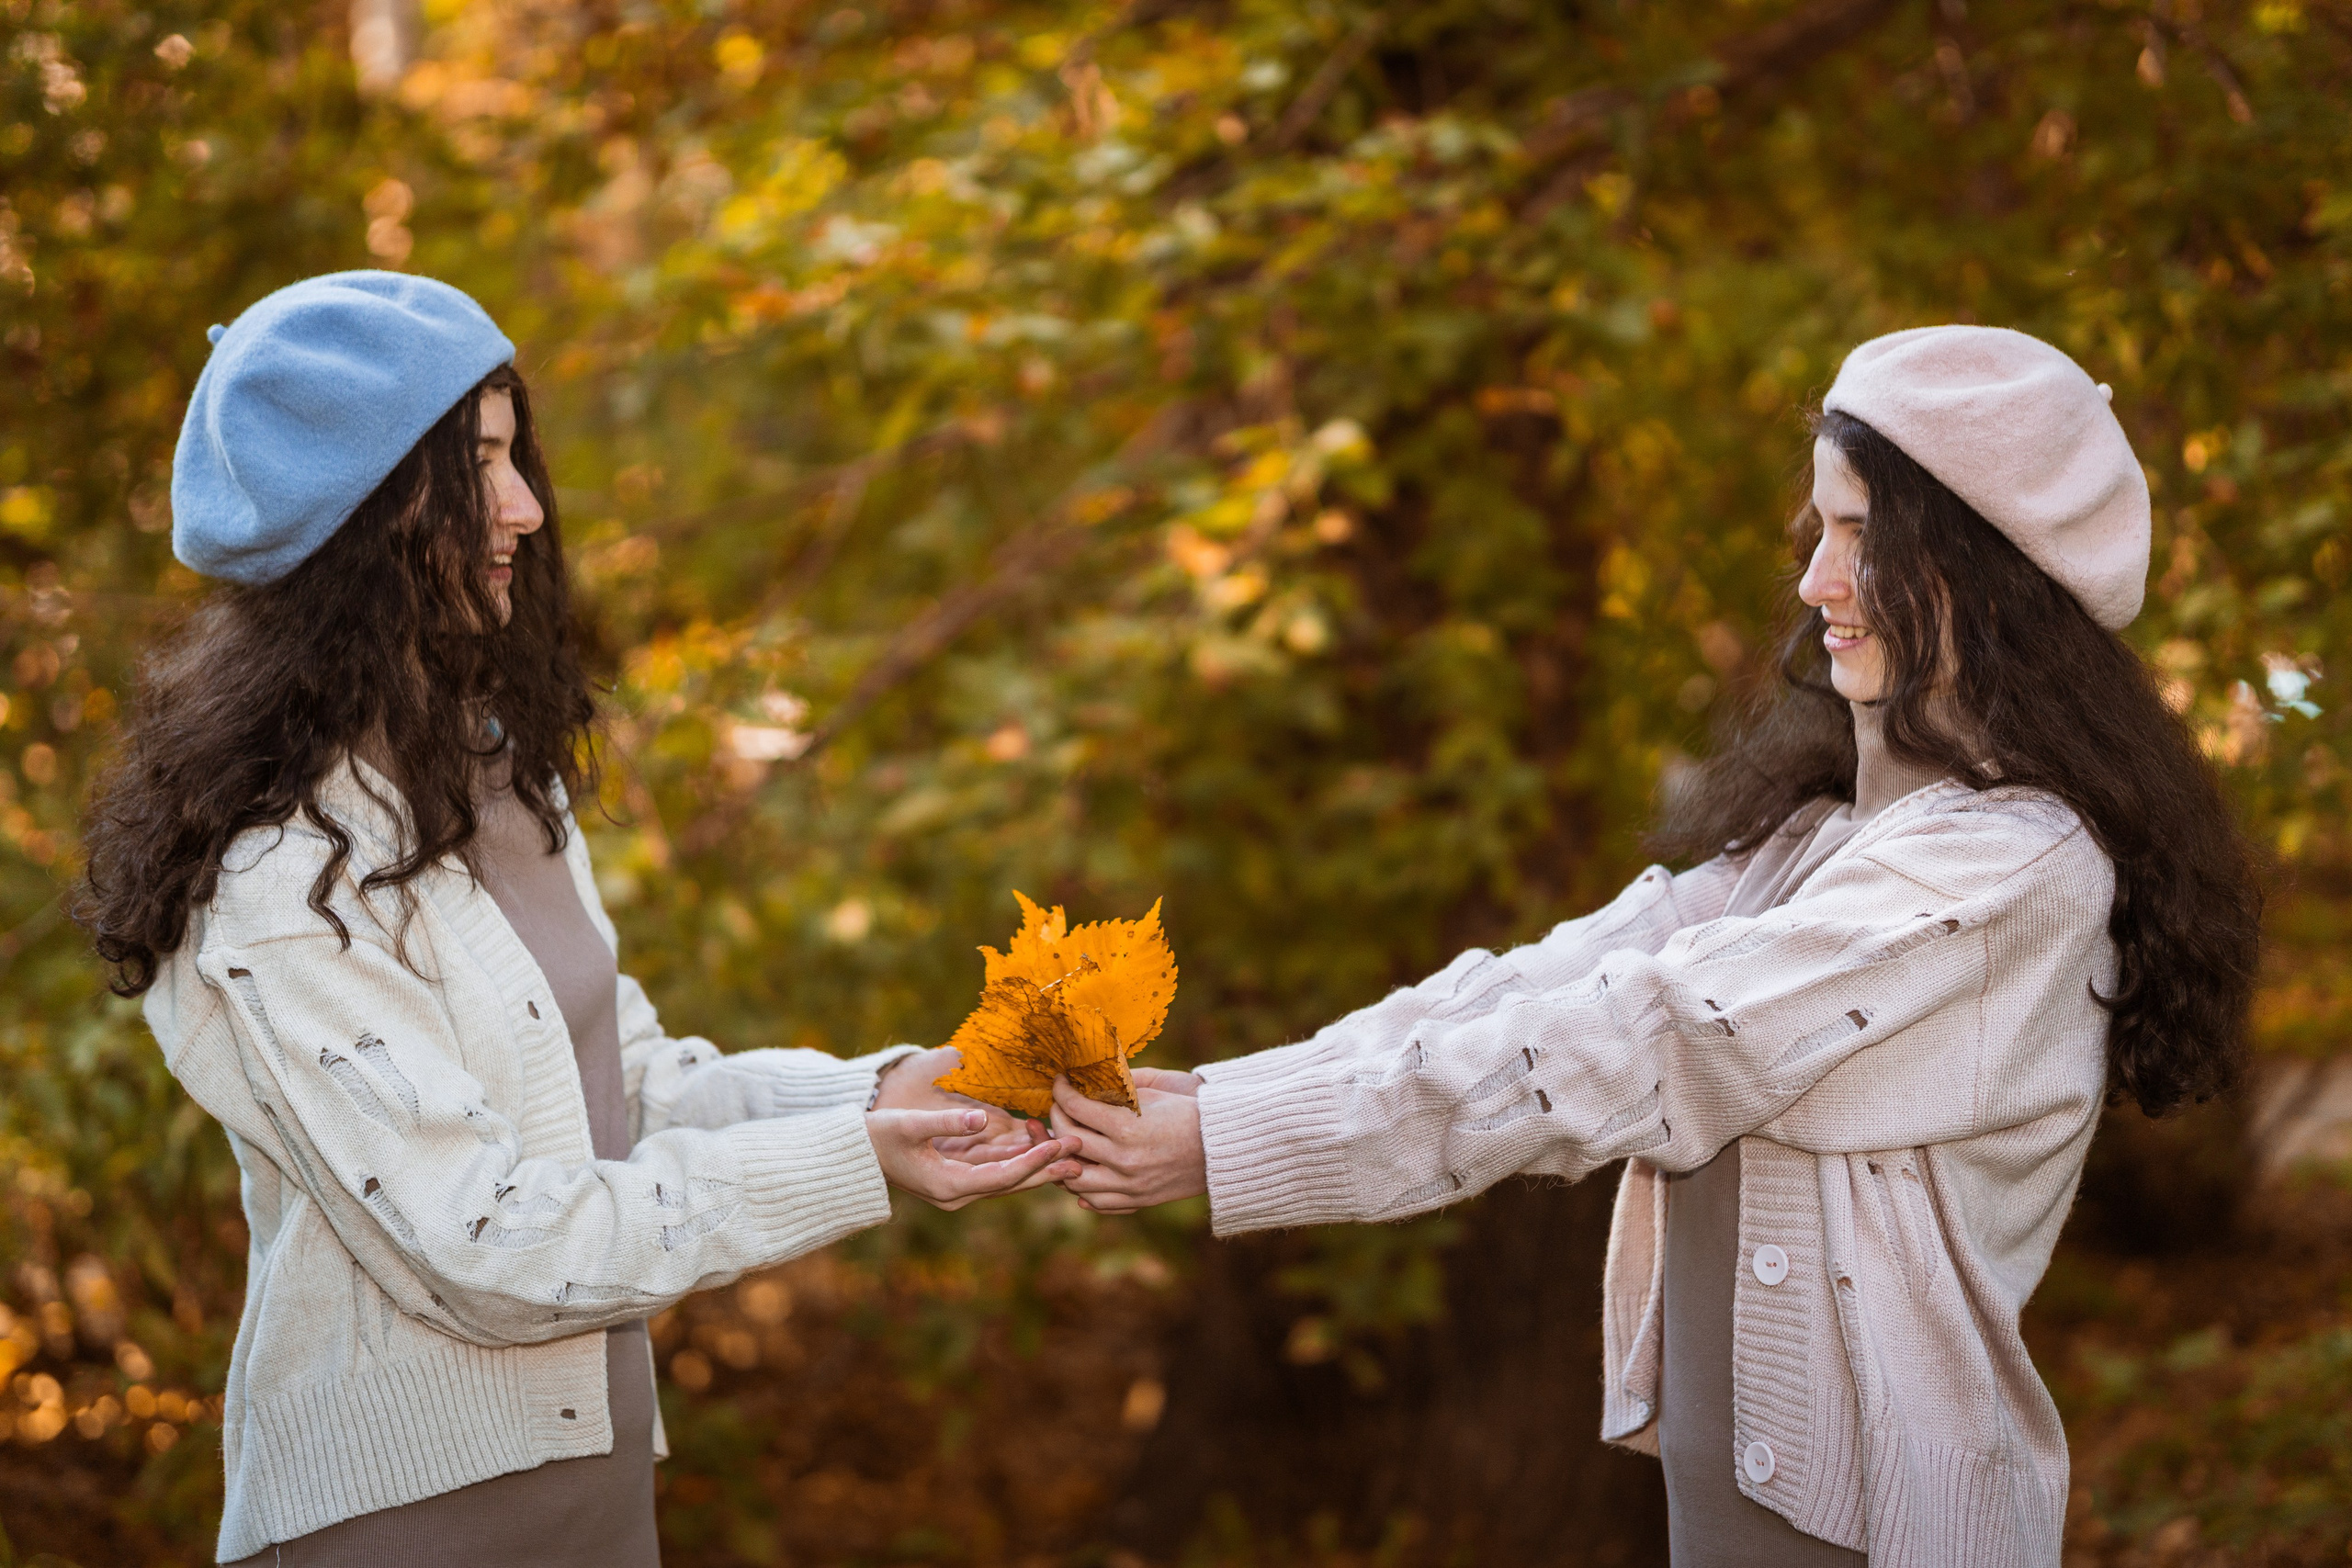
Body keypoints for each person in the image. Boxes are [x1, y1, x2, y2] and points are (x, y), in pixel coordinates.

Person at [1046, 326, 2262, 1567]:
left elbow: (1649, 1044)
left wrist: (1228, 1146)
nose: (1814, 583)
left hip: (1885, 1530)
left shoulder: (2009, 869)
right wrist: (1226, 1100)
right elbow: (1545, 985)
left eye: (1863, 539)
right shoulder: (1823, 841)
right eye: (1820, 533)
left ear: (1981, 569)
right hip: (1735, 1510)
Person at [74, 271, 1077, 1566]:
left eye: (514, 455)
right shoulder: (278, 873)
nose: (527, 507)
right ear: (365, 512)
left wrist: (892, 1094)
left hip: (595, 1490)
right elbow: (484, 1241)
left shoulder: (493, 773)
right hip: (402, 1525)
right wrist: (859, 1162)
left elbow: (629, 1092)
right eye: (478, 465)